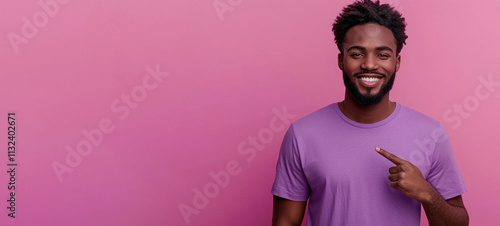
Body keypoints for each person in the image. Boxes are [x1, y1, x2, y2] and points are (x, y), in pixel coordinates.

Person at [271, 0, 469, 225]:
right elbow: (284, 222)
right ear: (341, 60)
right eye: (357, 54)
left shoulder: (431, 134)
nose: (369, 65)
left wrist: (427, 193)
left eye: (382, 55)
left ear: (397, 62)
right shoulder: (302, 134)